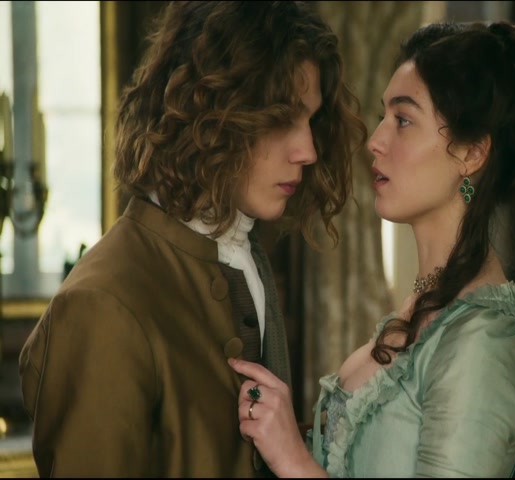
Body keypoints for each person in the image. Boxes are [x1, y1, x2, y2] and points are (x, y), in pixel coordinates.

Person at [18, 1, 366, 477]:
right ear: (214, 111)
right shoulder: (101, 304)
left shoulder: (246, 254)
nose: (307, 150)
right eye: (282, 118)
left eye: (310, 120)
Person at [227, 19, 515, 478]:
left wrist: (292, 457)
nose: (376, 141)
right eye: (384, 116)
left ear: (471, 153)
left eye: (403, 120)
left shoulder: (483, 338)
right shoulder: (426, 303)